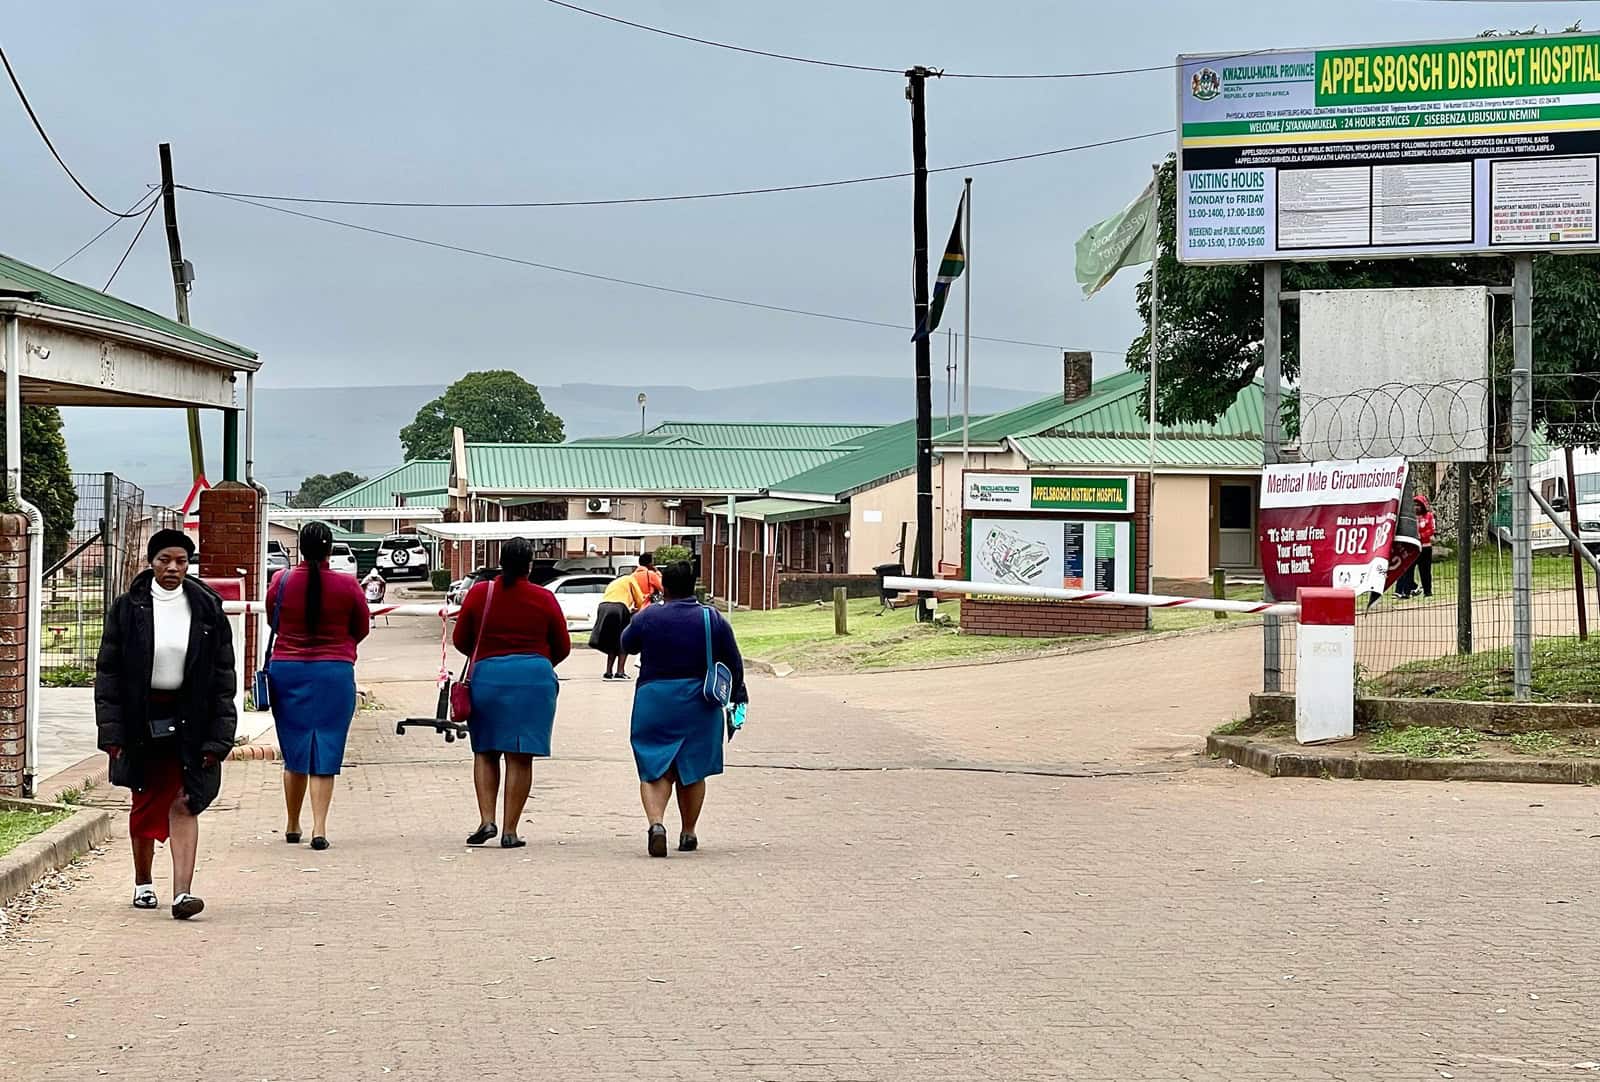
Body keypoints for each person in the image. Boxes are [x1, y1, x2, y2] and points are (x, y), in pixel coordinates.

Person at [95, 529, 237, 919]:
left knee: (185, 799)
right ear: (151, 562)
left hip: (191, 716)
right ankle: (143, 882)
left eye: (181, 561)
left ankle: (182, 894)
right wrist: (111, 731)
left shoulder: (206, 609)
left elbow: (223, 676)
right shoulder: (128, 608)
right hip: (142, 717)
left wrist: (220, 736)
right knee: (144, 798)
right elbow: (108, 674)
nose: (172, 568)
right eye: (164, 560)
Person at [620, 561, 748, 858]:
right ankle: (688, 832)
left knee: (654, 766)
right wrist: (738, 696)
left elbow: (627, 643)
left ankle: (656, 824)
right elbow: (733, 661)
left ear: (664, 586)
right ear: (694, 586)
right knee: (693, 768)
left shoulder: (648, 616)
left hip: (655, 699)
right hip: (699, 700)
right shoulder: (711, 618)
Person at [452, 537, 571, 848]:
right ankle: (510, 830)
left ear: (501, 562)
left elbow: (461, 639)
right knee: (520, 756)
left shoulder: (481, 593)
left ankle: (486, 820)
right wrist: (538, 663)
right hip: (534, 679)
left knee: (486, 750)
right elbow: (563, 645)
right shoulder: (544, 597)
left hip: (489, 678)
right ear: (529, 566)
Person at [266, 521, 371, 851]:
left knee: (294, 747)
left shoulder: (281, 580)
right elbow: (362, 626)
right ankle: (320, 827)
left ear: (300, 547)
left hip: (287, 671)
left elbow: (272, 619)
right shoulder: (347, 584)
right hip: (333, 672)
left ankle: (292, 823)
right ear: (330, 549)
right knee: (326, 745)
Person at [590, 570, 646, 681]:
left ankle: (608, 671)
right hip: (618, 607)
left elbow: (613, 598)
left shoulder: (613, 583)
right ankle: (620, 672)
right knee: (622, 639)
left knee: (612, 640)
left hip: (603, 607)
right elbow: (640, 599)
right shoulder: (630, 579)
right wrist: (639, 610)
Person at [1397, 494, 1436, 600]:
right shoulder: (1409, 517)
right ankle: (1406, 592)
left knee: (1425, 571)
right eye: (1414, 505)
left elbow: (1431, 530)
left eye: (1418, 505)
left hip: (1425, 547)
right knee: (1408, 570)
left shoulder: (1429, 516)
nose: (1416, 507)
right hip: (1412, 547)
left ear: (1423, 506)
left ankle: (1427, 591)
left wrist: (1421, 535)